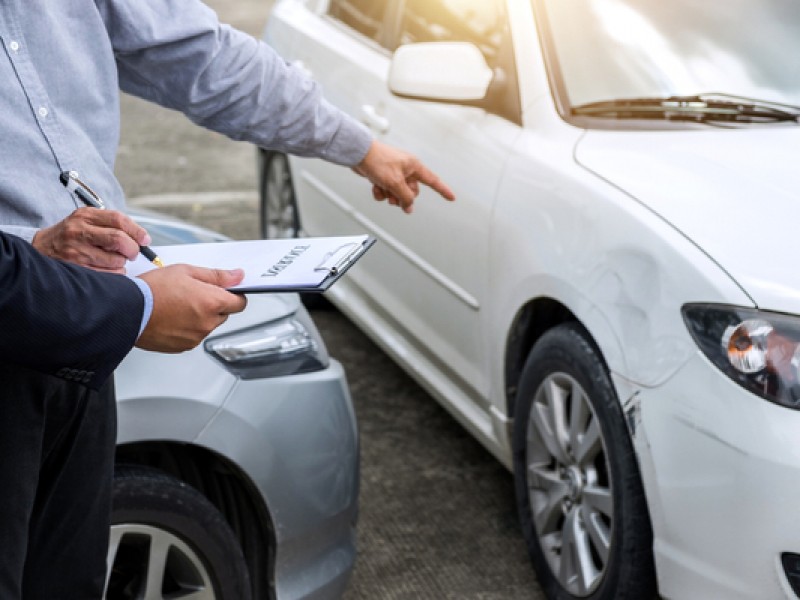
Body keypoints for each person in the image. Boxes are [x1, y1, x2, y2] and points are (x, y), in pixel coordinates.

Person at [0, 1, 454, 598]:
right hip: (35, 325)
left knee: (68, 582)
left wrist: (359, 146)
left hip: (84, 341)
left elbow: (199, 53)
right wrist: (130, 306)